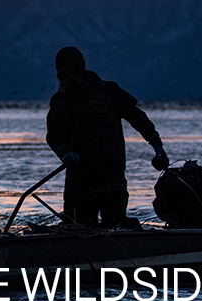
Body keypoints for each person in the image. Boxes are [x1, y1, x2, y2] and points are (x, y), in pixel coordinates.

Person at [45, 46, 169, 228]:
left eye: (65, 67)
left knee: (116, 224)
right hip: (79, 180)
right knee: (76, 227)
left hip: (111, 176)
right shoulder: (59, 102)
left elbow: (137, 118)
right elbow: (54, 134)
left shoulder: (108, 92)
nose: (61, 72)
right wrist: (65, 153)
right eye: (59, 68)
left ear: (77, 67)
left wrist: (157, 146)